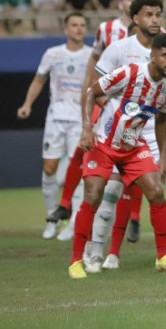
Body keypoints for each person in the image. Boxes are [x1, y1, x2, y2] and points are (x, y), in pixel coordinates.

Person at [88, 0, 166, 271]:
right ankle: (97, 252)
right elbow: (96, 88)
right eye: (149, 14)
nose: (155, 19)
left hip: (157, 125)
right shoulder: (118, 48)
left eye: (158, 14)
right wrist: (112, 116)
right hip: (122, 129)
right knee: (110, 188)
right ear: (136, 19)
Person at [68, 33, 166, 279]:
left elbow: (162, 119)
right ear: (152, 56)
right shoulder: (129, 72)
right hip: (103, 143)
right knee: (93, 195)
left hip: (133, 146)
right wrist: (87, 127)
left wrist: (162, 156)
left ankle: (162, 257)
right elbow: (91, 92)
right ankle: (76, 260)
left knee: (155, 192)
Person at [46, 0, 143, 227]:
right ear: (120, 4)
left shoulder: (152, 30)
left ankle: (134, 216)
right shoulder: (106, 29)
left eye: (137, 0)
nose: (133, 4)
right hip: (106, 99)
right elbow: (94, 57)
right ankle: (65, 204)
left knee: (135, 152)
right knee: (84, 146)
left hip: (134, 106)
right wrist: (88, 86)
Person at [17, 13, 90, 240]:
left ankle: (73, 221)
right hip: (56, 118)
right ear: (66, 29)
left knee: (78, 171)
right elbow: (39, 79)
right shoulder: (53, 54)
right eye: (74, 25)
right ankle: (52, 218)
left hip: (80, 120)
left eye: (82, 25)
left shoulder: (92, 56)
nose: (78, 29)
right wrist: (27, 104)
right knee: (49, 168)